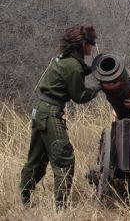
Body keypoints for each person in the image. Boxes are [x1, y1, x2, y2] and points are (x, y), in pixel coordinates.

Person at [20, 25, 102, 209]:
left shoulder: (65, 60)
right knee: (64, 159)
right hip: (51, 114)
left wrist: (93, 69)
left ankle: (23, 200)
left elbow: (78, 69)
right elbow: (80, 97)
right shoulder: (72, 66)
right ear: (82, 44)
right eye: (90, 44)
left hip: (41, 111)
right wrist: (100, 87)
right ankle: (61, 207)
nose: (92, 47)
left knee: (36, 159)